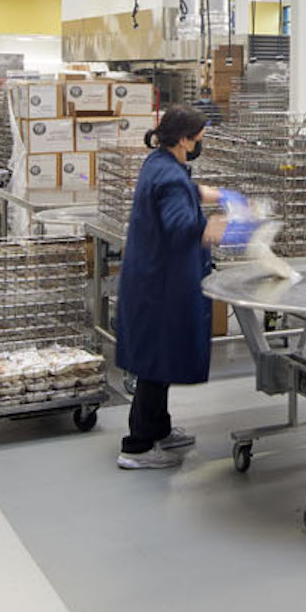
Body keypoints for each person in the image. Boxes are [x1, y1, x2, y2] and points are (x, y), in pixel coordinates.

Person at [114, 107, 226, 470]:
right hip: (160, 284)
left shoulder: (158, 162)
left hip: (151, 277)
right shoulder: (170, 177)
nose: (201, 144)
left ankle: (159, 429)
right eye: (200, 139)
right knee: (154, 362)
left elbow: (173, 188)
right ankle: (137, 446)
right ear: (184, 139)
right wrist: (214, 228)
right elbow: (179, 225)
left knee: (156, 360)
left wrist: (202, 192)